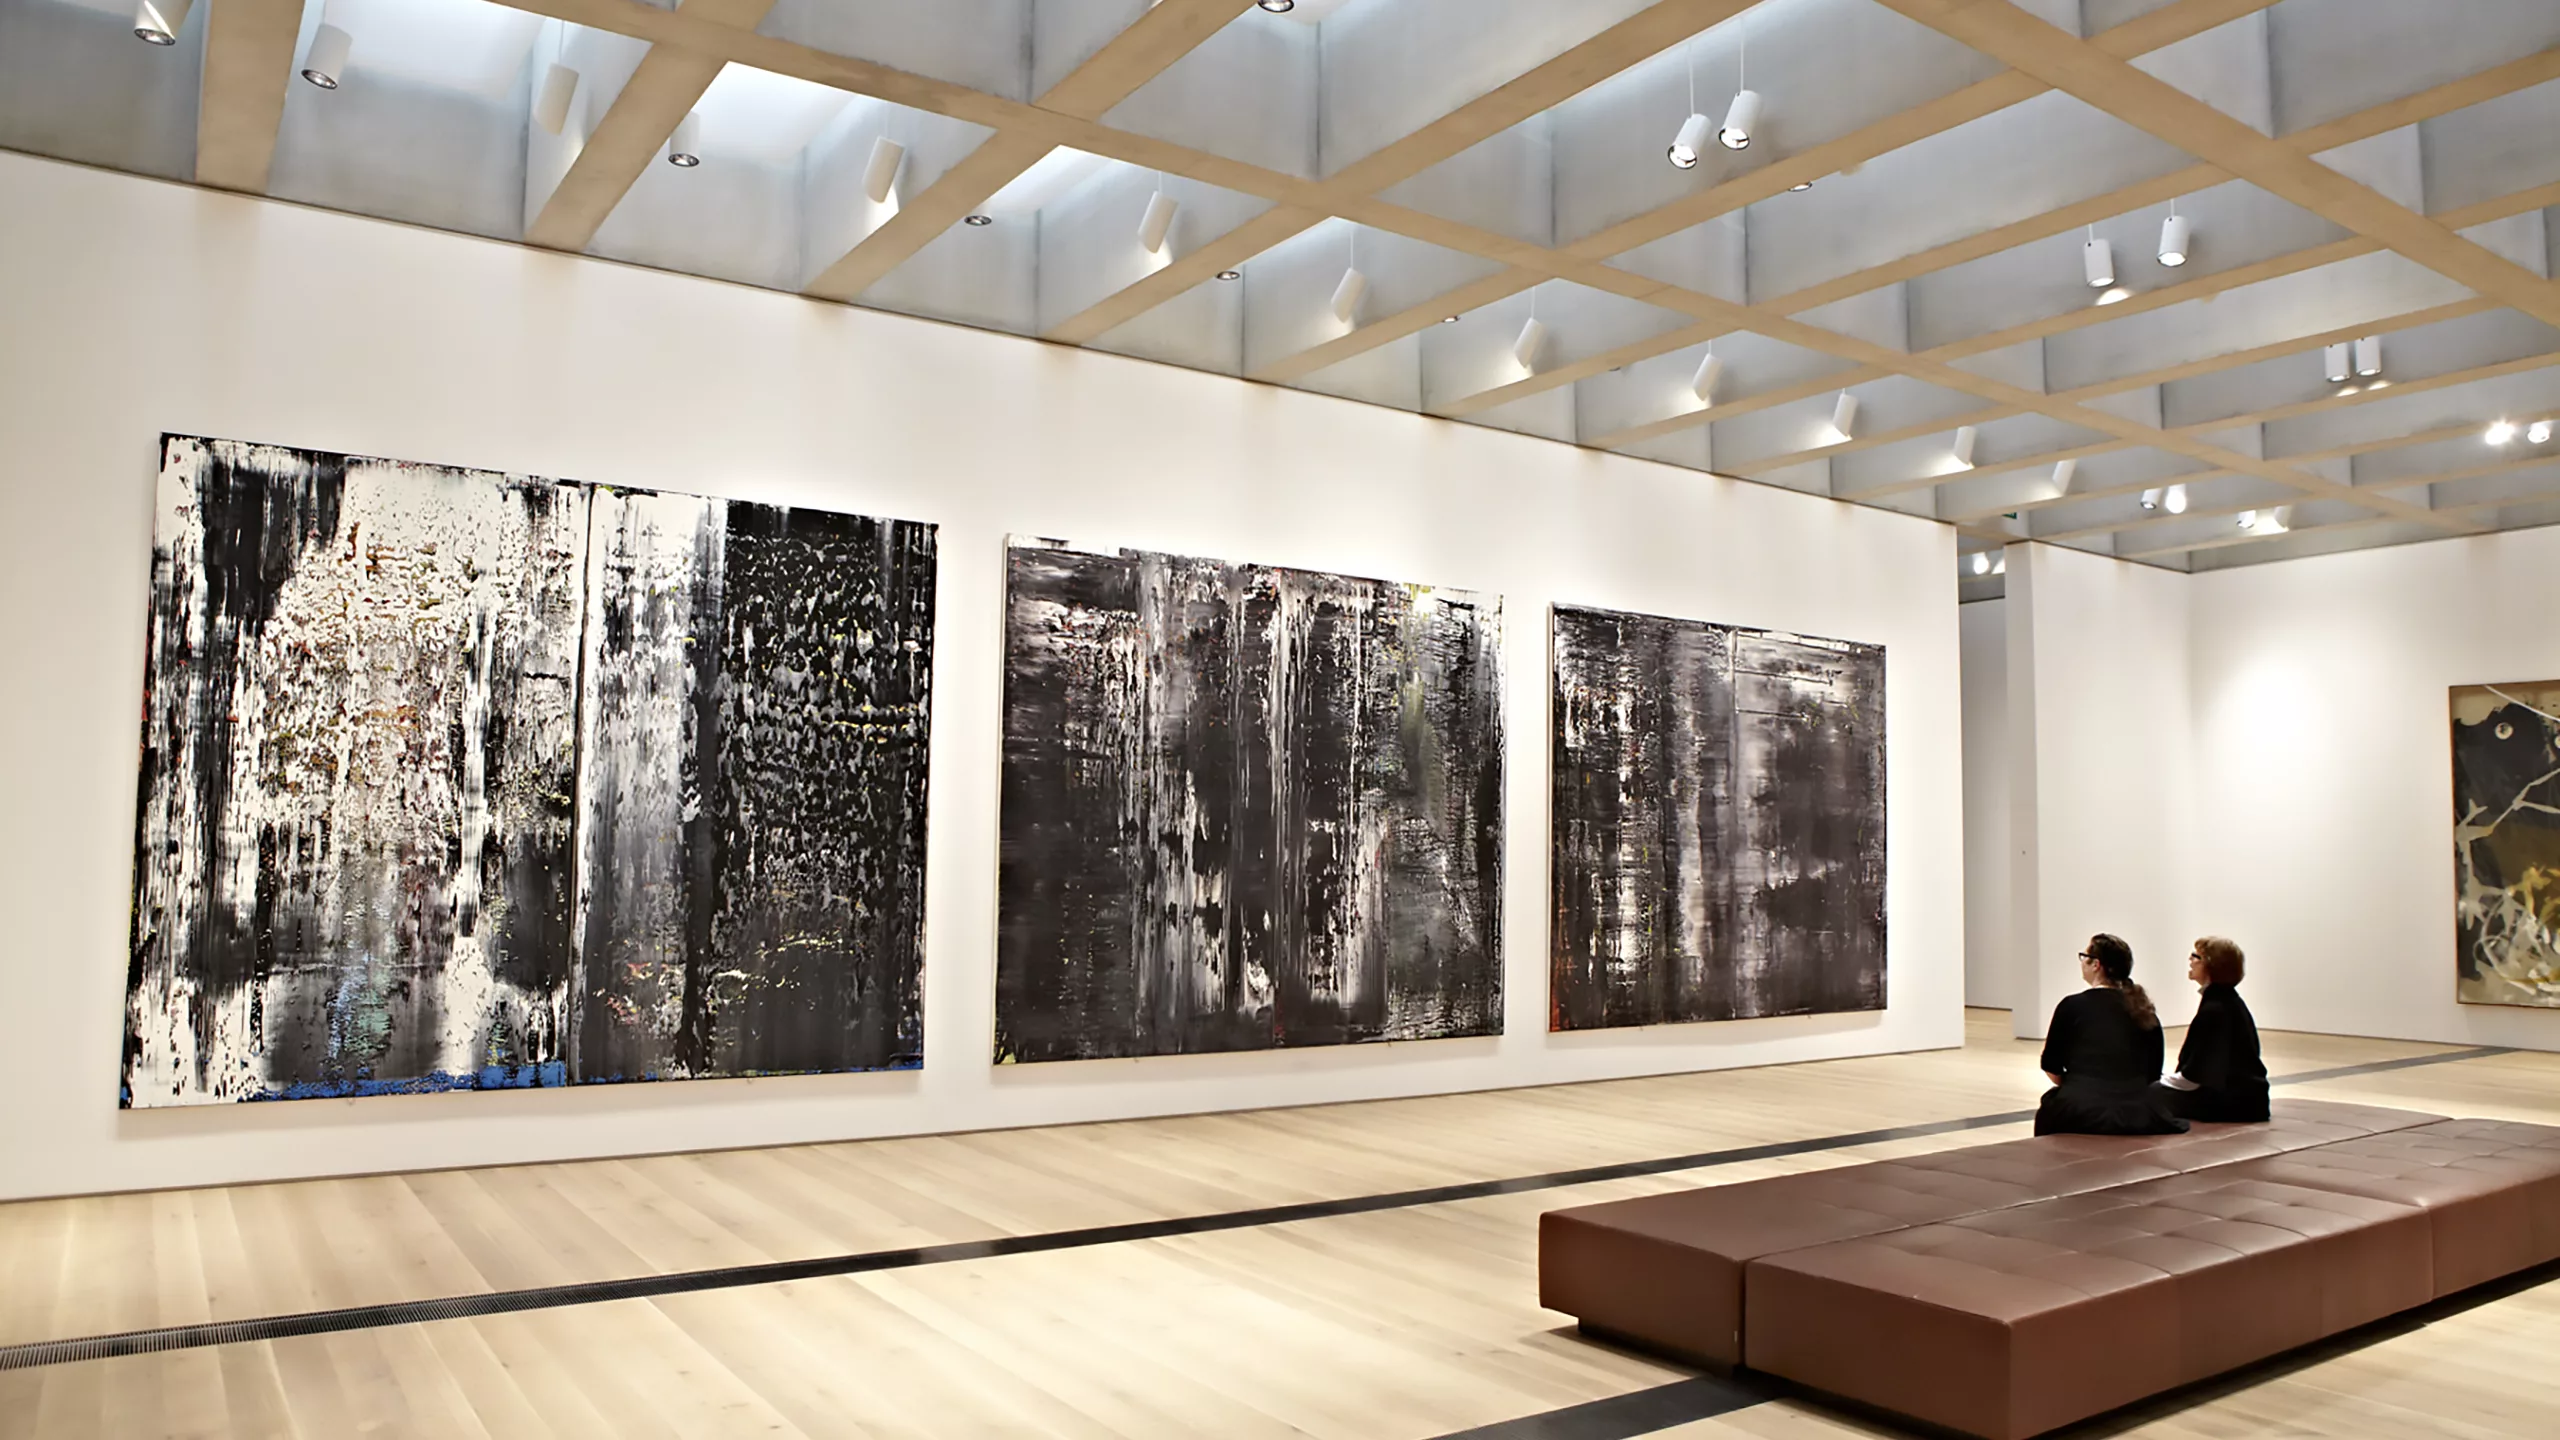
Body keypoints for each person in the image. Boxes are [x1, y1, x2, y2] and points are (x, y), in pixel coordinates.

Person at [2034, 933, 2187, 1136]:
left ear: (2096, 964)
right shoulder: (2143, 1009)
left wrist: (2079, 1086)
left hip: (2079, 1109)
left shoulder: (2071, 1006)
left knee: (2049, 1107)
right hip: (2138, 1112)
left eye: (2084, 956)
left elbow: (2051, 1065)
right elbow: (2152, 1073)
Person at [2155, 936, 2270, 1122]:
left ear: (2211, 965)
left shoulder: (2214, 1010)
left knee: (2148, 1095)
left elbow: (2194, 1077)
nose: (2190, 961)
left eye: (2196, 957)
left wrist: (2157, 1081)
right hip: (2250, 1101)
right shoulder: (2230, 1002)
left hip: (2231, 1103)